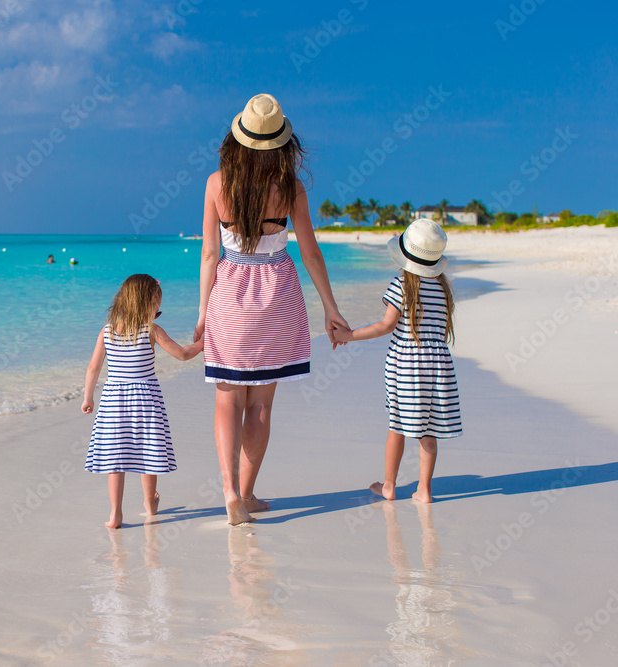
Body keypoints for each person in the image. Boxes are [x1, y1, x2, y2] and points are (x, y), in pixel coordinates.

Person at [196, 93, 349, 525]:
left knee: (228, 397)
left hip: (229, 296)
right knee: (260, 405)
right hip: (276, 295)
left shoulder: (215, 184)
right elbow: (312, 254)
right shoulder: (291, 189)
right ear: (281, 142)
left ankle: (229, 492)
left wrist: (203, 312)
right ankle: (246, 493)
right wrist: (330, 308)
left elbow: (210, 254)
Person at [333, 218, 463, 503]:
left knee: (398, 426)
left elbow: (386, 325)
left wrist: (349, 334)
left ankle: (389, 486)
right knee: (428, 430)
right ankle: (425, 491)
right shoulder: (444, 288)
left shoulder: (402, 283)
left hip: (407, 362)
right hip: (438, 362)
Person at [83, 274, 203, 528]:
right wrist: (205, 343)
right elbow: (182, 354)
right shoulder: (152, 331)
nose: (158, 313)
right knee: (147, 453)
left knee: (115, 459)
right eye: (157, 307)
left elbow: (93, 367)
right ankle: (150, 503)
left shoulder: (106, 331)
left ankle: (115, 514)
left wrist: (88, 397)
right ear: (146, 303)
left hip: (114, 401)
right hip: (146, 401)